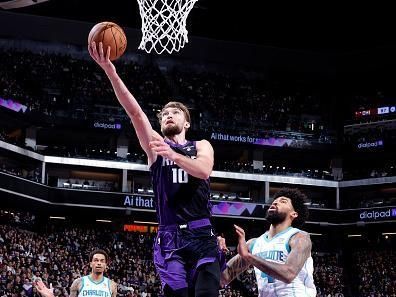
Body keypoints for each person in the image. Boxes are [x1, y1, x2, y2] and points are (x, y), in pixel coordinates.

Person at [88, 42, 226, 297]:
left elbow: (204, 171)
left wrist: (174, 154)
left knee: (207, 293)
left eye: (174, 113)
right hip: (170, 237)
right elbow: (135, 112)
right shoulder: (155, 146)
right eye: (164, 114)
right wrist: (109, 69)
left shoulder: (201, 145)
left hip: (201, 232)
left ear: (187, 122)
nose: (168, 116)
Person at [221, 188, 316, 297]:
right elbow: (223, 277)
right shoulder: (253, 243)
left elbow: (289, 274)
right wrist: (213, 249)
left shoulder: (299, 237)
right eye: (275, 200)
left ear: (294, 214)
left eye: (283, 201)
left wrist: (248, 257)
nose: (275, 202)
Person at [34, 249, 117, 297]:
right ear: (91, 264)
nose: (99, 263)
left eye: (102, 261)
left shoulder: (112, 285)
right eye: (96, 260)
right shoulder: (78, 282)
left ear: (106, 265)